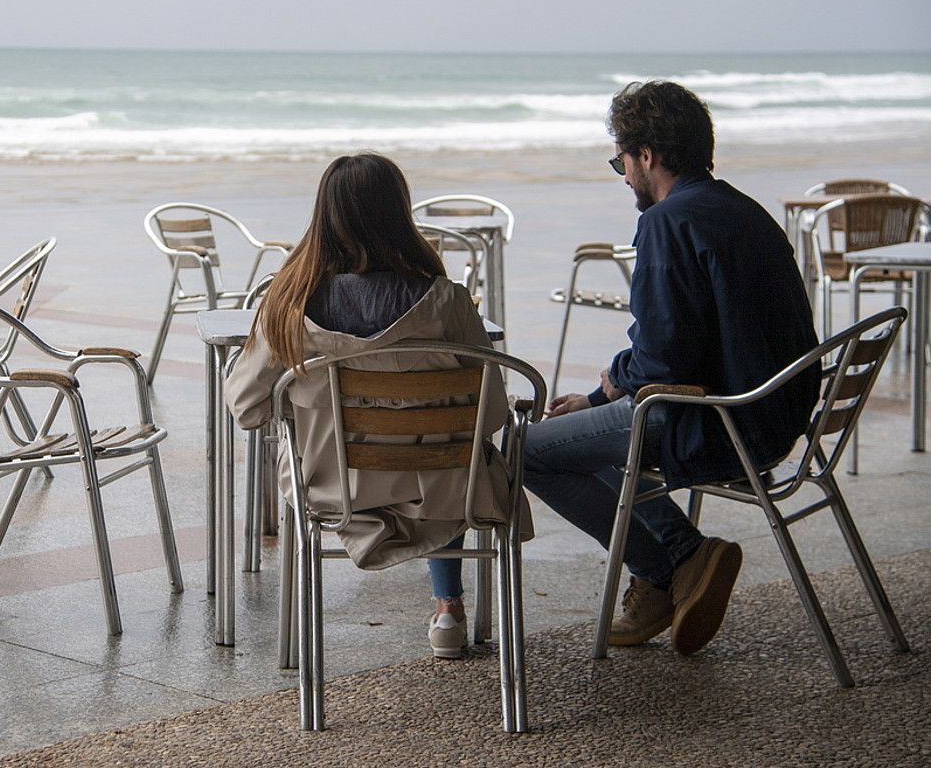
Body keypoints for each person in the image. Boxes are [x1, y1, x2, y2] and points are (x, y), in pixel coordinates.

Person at [526, 80, 820, 655]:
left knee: (527, 450)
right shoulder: (744, 210)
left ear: (649, 156)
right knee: (593, 432)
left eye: (622, 162)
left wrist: (609, 386)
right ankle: (668, 572)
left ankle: (674, 563)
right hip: (775, 414)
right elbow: (688, 347)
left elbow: (661, 361)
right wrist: (602, 392)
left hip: (721, 424)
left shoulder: (666, 222)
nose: (626, 176)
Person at [225, 152, 530, 660]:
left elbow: (246, 409)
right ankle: (449, 607)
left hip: (335, 492)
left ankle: (300, 665)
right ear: (399, 214)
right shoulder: (448, 300)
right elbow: (492, 412)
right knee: (455, 454)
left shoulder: (289, 306)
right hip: (446, 492)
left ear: (324, 217)